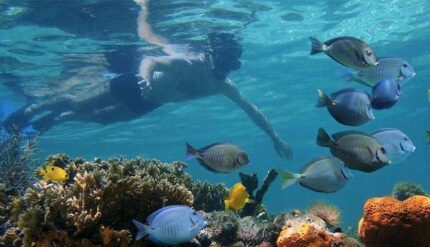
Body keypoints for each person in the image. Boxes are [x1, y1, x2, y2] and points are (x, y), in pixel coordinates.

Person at [2, 0, 292, 159]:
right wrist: (145, 80)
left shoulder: (221, 85)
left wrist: (276, 138)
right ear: (214, 56)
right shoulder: (188, 61)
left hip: (149, 103)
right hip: (134, 84)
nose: (226, 72)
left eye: (231, 68)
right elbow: (149, 60)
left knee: (101, 119)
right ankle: (28, 111)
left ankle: (56, 120)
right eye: (225, 64)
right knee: (78, 100)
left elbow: (251, 108)